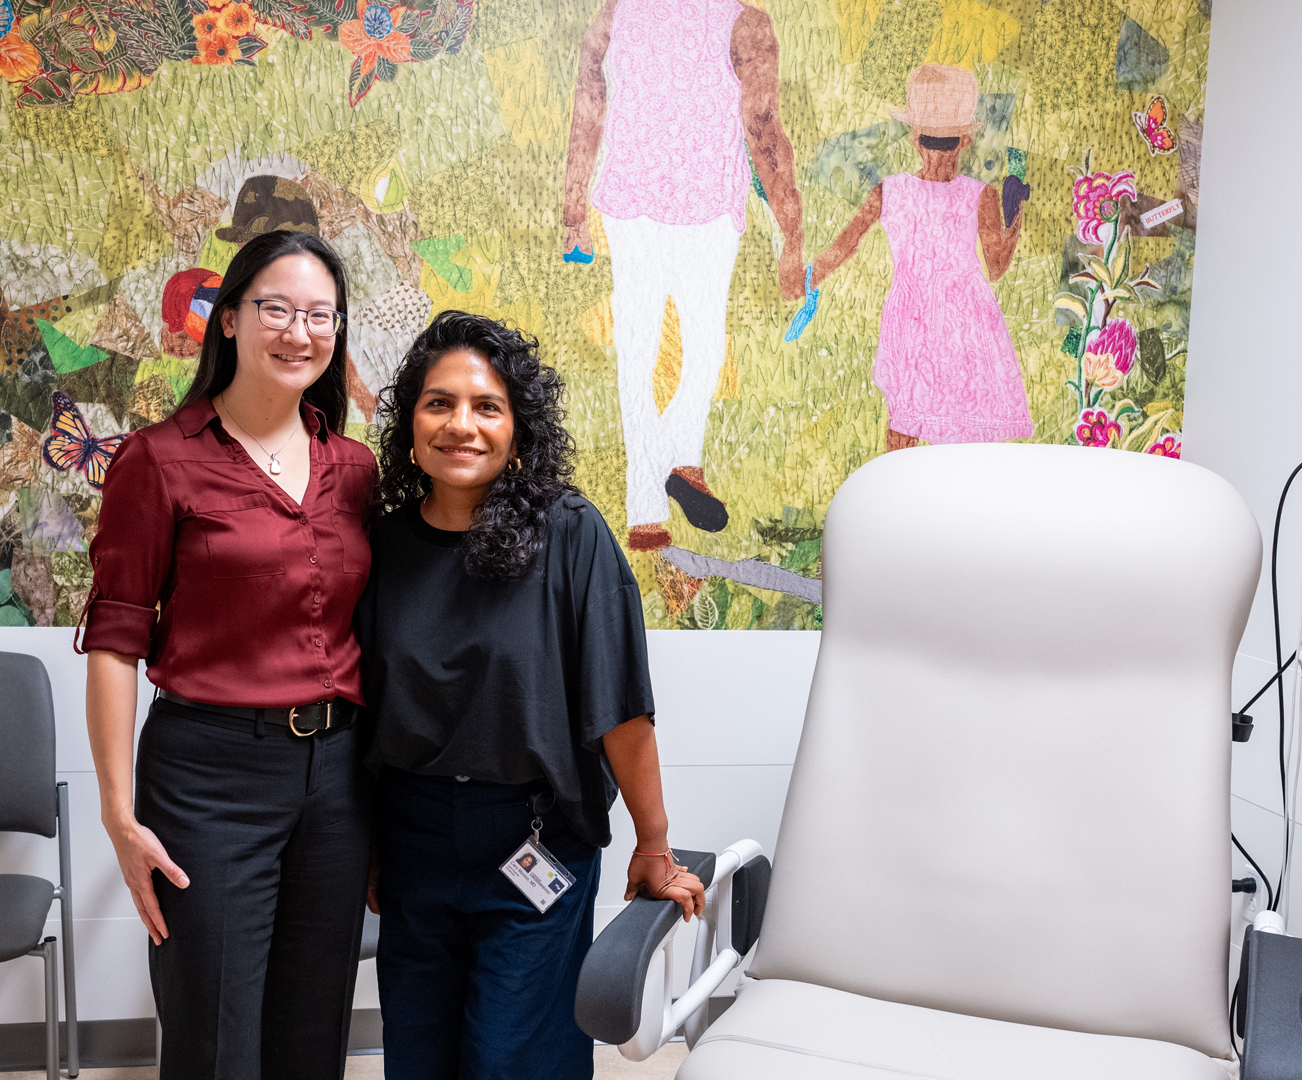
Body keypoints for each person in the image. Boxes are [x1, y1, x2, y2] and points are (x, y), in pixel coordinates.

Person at [357, 310, 706, 1080]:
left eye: (488, 407)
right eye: (438, 403)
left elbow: (621, 708)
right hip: (412, 838)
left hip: (532, 838)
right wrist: (373, 843)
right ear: (410, 421)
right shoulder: (380, 546)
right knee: (420, 1054)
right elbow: (367, 713)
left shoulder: (571, 534)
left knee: (514, 1057)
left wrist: (654, 843)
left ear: (519, 427)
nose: (462, 426)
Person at [80, 229, 377, 1080]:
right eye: (276, 309)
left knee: (313, 1023)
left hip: (339, 775)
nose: (299, 332)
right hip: (207, 777)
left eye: (321, 315)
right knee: (214, 1032)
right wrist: (118, 812)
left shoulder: (353, 469)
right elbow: (115, 639)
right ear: (229, 321)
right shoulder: (159, 459)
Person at [562, 0, 807, 547]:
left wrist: (575, 205)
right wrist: (791, 225)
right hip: (697, 209)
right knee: (699, 347)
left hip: (644, 205)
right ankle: (671, 471)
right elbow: (763, 126)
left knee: (646, 348)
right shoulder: (744, 21)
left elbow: (589, 102)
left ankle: (657, 490)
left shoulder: (619, 14)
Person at [808, 63, 1034, 452]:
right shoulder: (982, 195)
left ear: (915, 138)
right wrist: (1015, 216)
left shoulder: (890, 190)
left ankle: (899, 502)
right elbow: (996, 268)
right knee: (966, 424)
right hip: (967, 318)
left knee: (905, 419)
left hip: (911, 315)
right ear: (965, 139)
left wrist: (809, 278)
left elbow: (846, 243)